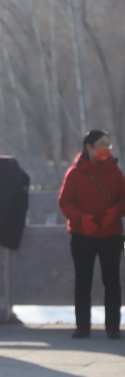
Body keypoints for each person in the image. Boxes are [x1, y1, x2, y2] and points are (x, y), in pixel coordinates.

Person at [58, 129, 125, 340]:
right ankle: (82, 327)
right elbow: (65, 201)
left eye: (108, 144)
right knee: (83, 281)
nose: (107, 148)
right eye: (102, 144)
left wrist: (115, 213)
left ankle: (113, 327)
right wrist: (81, 218)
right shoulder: (75, 173)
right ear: (89, 147)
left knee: (112, 281)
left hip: (111, 235)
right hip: (82, 235)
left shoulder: (115, 172)